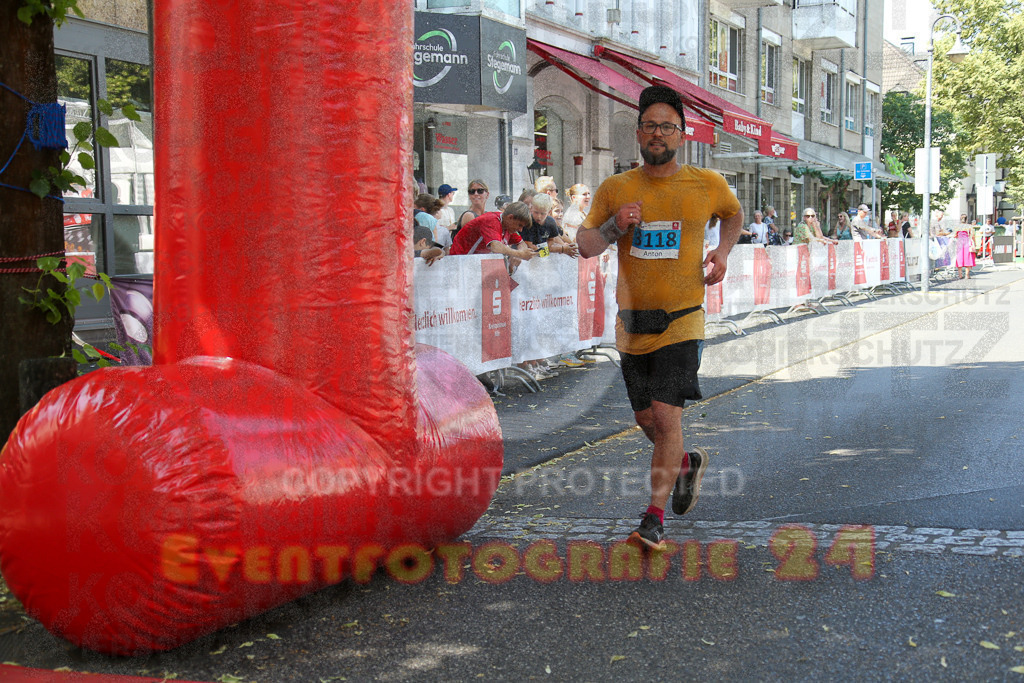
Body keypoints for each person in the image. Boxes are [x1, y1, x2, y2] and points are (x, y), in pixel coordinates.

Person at [576, 85, 743, 550]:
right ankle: (685, 463)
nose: (657, 133)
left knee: (667, 418)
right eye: (650, 125)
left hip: (683, 319)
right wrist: (615, 226)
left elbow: (733, 214)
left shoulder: (706, 183)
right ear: (638, 134)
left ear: (682, 135)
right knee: (648, 422)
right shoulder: (617, 188)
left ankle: (652, 520)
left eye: (667, 126)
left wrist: (722, 253)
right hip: (632, 325)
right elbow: (584, 246)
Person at [449, 201, 538, 266]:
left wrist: (519, 253)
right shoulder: (491, 220)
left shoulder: (508, 225)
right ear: (510, 217)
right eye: (520, 225)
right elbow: (496, 247)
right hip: (458, 262)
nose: (520, 230)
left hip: (472, 263)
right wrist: (519, 254)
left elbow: (521, 243)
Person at [522, 193, 578, 258]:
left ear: (549, 212)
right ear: (531, 209)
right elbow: (530, 246)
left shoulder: (551, 222)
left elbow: (551, 240)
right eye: (536, 212)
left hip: (542, 252)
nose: (539, 217)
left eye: (543, 214)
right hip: (529, 254)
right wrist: (562, 249)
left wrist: (553, 247)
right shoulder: (528, 223)